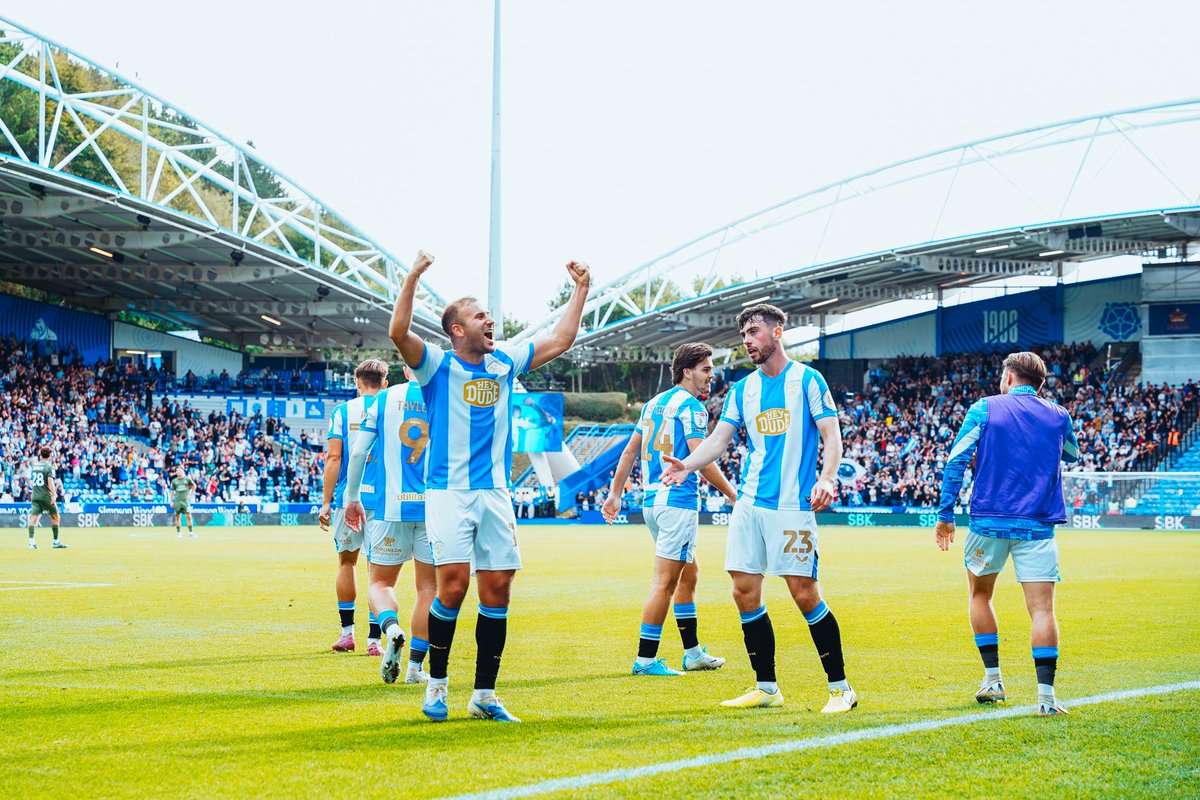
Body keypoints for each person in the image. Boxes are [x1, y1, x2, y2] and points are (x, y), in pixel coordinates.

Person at [384, 249, 590, 723]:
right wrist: (413, 276)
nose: (490, 321)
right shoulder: (436, 365)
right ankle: (436, 686)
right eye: (480, 316)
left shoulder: (505, 363)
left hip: (495, 493)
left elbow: (561, 337)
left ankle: (484, 695)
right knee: (452, 587)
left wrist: (581, 289)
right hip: (448, 492)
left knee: (497, 589)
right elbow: (398, 332)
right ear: (458, 330)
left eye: (490, 316)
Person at [660, 303, 856, 713]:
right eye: (744, 334)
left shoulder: (808, 379)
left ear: (777, 331)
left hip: (791, 507)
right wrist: (686, 465)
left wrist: (827, 477)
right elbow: (718, 442)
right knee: (743, 591)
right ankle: (766, 687)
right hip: (748, 504)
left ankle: (841, 689)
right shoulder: (742, 389)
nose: (747, 340)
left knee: (804, 593)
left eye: (754, 332)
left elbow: (831, 437)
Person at [935, 351, 1079, 717]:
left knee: (980, 595)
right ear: (1040, 384)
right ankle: (1046, 699)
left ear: (1011, 377)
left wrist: (945, 513)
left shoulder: (984, 408)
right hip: (1038, 525)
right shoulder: (1059, 416)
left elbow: (956, 460)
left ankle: (994, 680)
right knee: (1043, 610)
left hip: (989, 522)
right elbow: (1072, 454)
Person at [602, 342, 738, 677]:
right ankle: (645, 660)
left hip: (653, 503)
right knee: (665, 582)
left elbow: (630, 452)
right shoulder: (691, 407)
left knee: (688, 575)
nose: (712, 376)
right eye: (706, 369)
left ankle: (692, 654)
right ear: (688, 371)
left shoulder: (653, 404)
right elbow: (701, 459)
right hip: (677, 503)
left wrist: (615, 494)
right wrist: (735, 495)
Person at [344, 367, 437, 686]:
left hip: (387, 509)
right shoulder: (443, 395)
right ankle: (414, 668)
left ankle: (391, 628)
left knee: (380, 584)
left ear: (406, 368)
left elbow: (358, 451)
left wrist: (351, 496)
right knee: (428, 590)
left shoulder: (383, 399)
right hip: (432, 509)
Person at [318, 359, 388, 655]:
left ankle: (347, 634)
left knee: (347, 563)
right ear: (385, 383)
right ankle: (375, 641)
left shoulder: (343, 412)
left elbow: (334, 459)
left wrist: (325, 501)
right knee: (379, 572)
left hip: (350, 499)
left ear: (357, 383)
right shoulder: (390, 408)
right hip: (383, 501)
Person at [27, 446, 65, 549]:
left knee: (33, 518)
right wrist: (54, 494)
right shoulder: (48, 467)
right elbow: (50, 481)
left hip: (35, 495)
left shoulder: (35, 466)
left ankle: (31, 542)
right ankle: (56, 542)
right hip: (45, 496)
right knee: (56, 517)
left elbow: (31, 481)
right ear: (49, 455)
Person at [170, 466, 196, 538]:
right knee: (177, 517)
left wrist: (191, 495)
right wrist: (171, 501)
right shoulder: (174, 481)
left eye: (180, 470)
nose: (178, 471)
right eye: (177, 470)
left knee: (188, 516)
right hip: (177, 501)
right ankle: (178, 532)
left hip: (185, 501)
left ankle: (191, 532)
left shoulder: (187, 479)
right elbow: (172, 492)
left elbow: (194, 486)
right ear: (176, 472)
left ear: (182, 471)